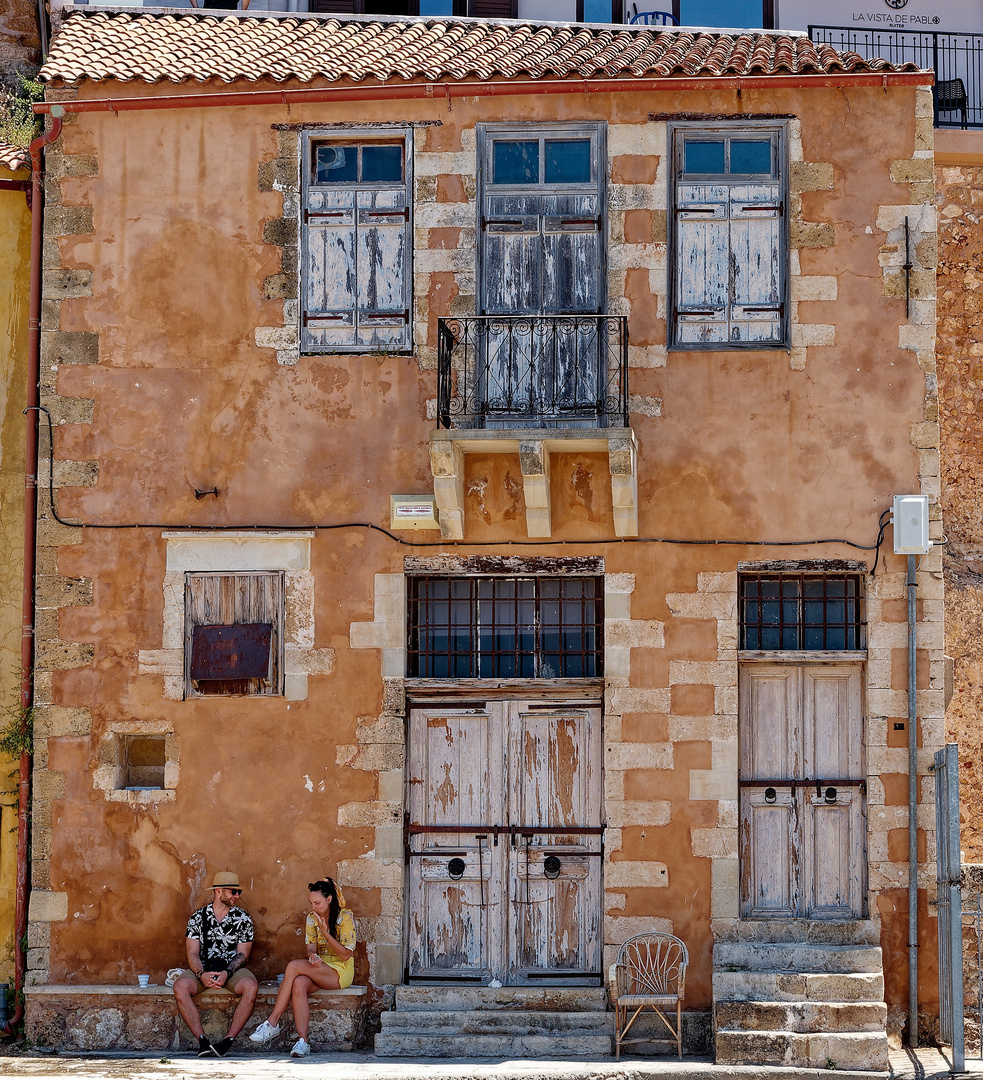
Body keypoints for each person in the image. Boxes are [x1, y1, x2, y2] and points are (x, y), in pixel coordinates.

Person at [250, 877, 356, 1057]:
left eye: (317, 903)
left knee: (292, 966)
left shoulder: (344, 917)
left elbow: (346, 954)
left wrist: (325, 932)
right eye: (311, 903)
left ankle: (273, 1022)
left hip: (341, 970)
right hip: (320, 968)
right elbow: (310, 949)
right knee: (298, 983)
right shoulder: (311, 919)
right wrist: (313, 957)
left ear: (329, 899)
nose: (313, 907)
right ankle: (302, 1042)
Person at [172, 871, 259, 1058]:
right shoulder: (198, 918)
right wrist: (201, 973)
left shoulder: (243, 919)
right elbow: (192, 953)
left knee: (251, 987)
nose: (237, 896)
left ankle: (228, 1041)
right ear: (219, 891)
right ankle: (202, 1041)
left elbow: (243, 954)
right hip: (203, 969)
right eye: (233, 891)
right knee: (180, 987)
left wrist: (227, 972)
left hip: (232, 971)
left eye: (239, 892)